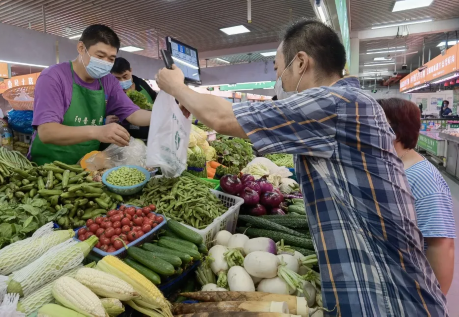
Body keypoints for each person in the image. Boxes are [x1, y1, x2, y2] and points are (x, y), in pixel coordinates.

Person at [156, 19, 448, 316]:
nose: (278, 81)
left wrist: (177, 87)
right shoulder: (349, 103)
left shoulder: (335, 103)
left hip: (387, 299)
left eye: (277, 70)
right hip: (381, 288)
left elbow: (224, 119)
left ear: (300, 63)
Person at [29, 24, 151, 165]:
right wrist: (97, 132)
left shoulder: (108, 81)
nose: (105, 63)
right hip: (48, 166)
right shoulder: (53, 77)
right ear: (81, 48)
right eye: (100, 56)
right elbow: (47, 132)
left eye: (111, 59)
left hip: (86, 166)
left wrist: (168, 114)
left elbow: (133, 114)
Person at [377, 98, 456, 295]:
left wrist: (433, 303)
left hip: (412, 290)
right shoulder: (392, 166)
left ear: (393, 131)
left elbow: (442, 247)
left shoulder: (423, 179)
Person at [110, 57, 157, 140]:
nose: (122, 81)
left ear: (131, 70)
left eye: (125, 76)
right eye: (117, 78)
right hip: (124, 139)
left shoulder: (141, 83)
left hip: (150, 135)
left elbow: (155, 98)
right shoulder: (111, 91)